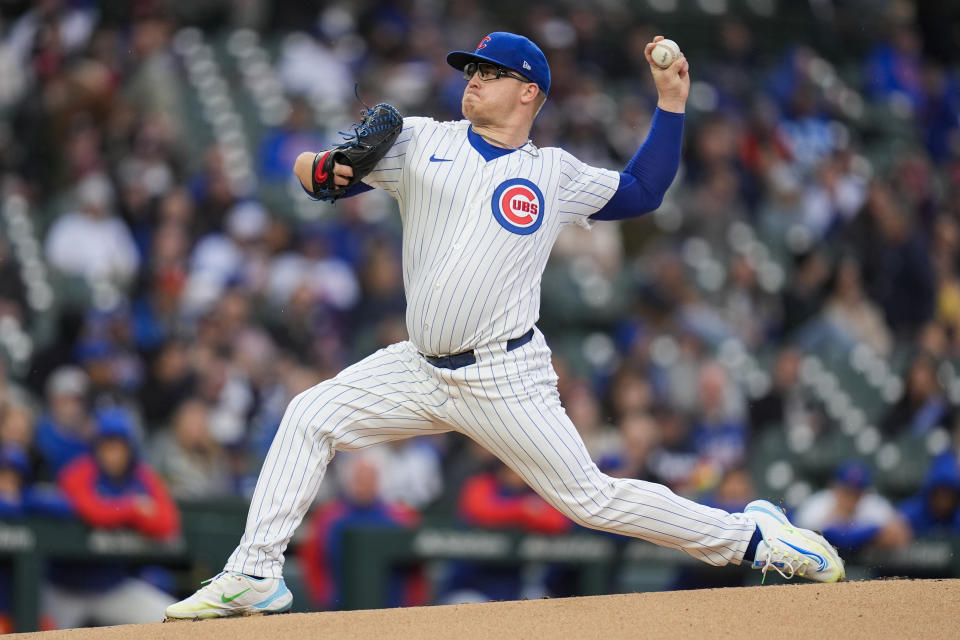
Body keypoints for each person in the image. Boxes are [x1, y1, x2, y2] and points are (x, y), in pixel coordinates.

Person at [166, 31, 844, 620]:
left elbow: (643, 193)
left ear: (530, 93)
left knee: (592, 500)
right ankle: (255, 572)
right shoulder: (422, 140)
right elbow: (314, 170)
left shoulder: (551, 173)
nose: (474, 81)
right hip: (419, 366)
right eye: (471, 71)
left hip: (503, 373)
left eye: (490, 74)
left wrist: (670, 102)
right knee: (309, 414)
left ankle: (754, 539)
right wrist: (323, 168)